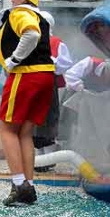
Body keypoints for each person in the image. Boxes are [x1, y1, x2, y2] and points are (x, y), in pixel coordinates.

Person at [0, 0, 55, 206]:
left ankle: (19, 186)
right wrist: (0, 26)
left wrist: (12, 61)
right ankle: (29, 186)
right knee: (25, 132)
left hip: (26, 74)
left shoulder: (19, 13)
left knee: (6, 128)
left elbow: (31, 34)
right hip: (45, 75)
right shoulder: (40, 16)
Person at [33, 11, 73, 172]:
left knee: (47, 121)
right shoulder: (30, 40)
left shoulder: (56, 43)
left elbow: (65, 64)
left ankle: (47, 161)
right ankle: (37, 161)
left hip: (48, 87)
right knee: (34, 122)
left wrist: (51, 63)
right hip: (33, 86)